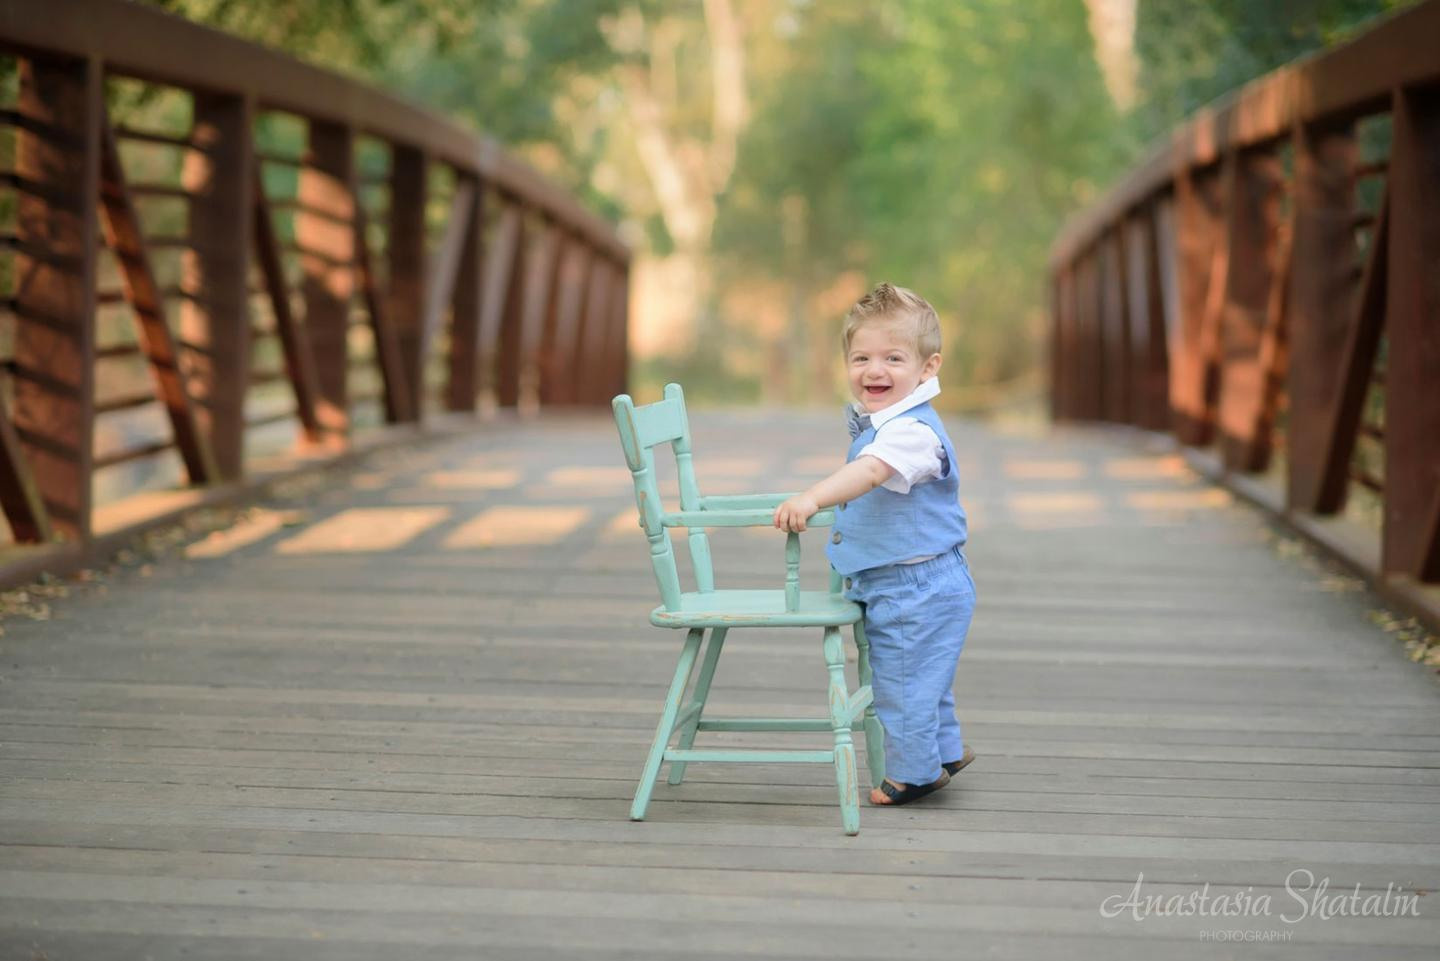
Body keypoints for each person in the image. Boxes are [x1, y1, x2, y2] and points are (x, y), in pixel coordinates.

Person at [773, 282, 976, 806]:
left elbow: (870, 472)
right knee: (924, 673)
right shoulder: (889, 422)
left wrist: (813, 497)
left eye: (892, 357)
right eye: (861, 357)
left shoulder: (911, 433)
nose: (874, 370)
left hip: (917, 585)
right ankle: (945, 751)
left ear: (928, 368)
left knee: (903, 683)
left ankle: (914, 774)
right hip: (909, 579)